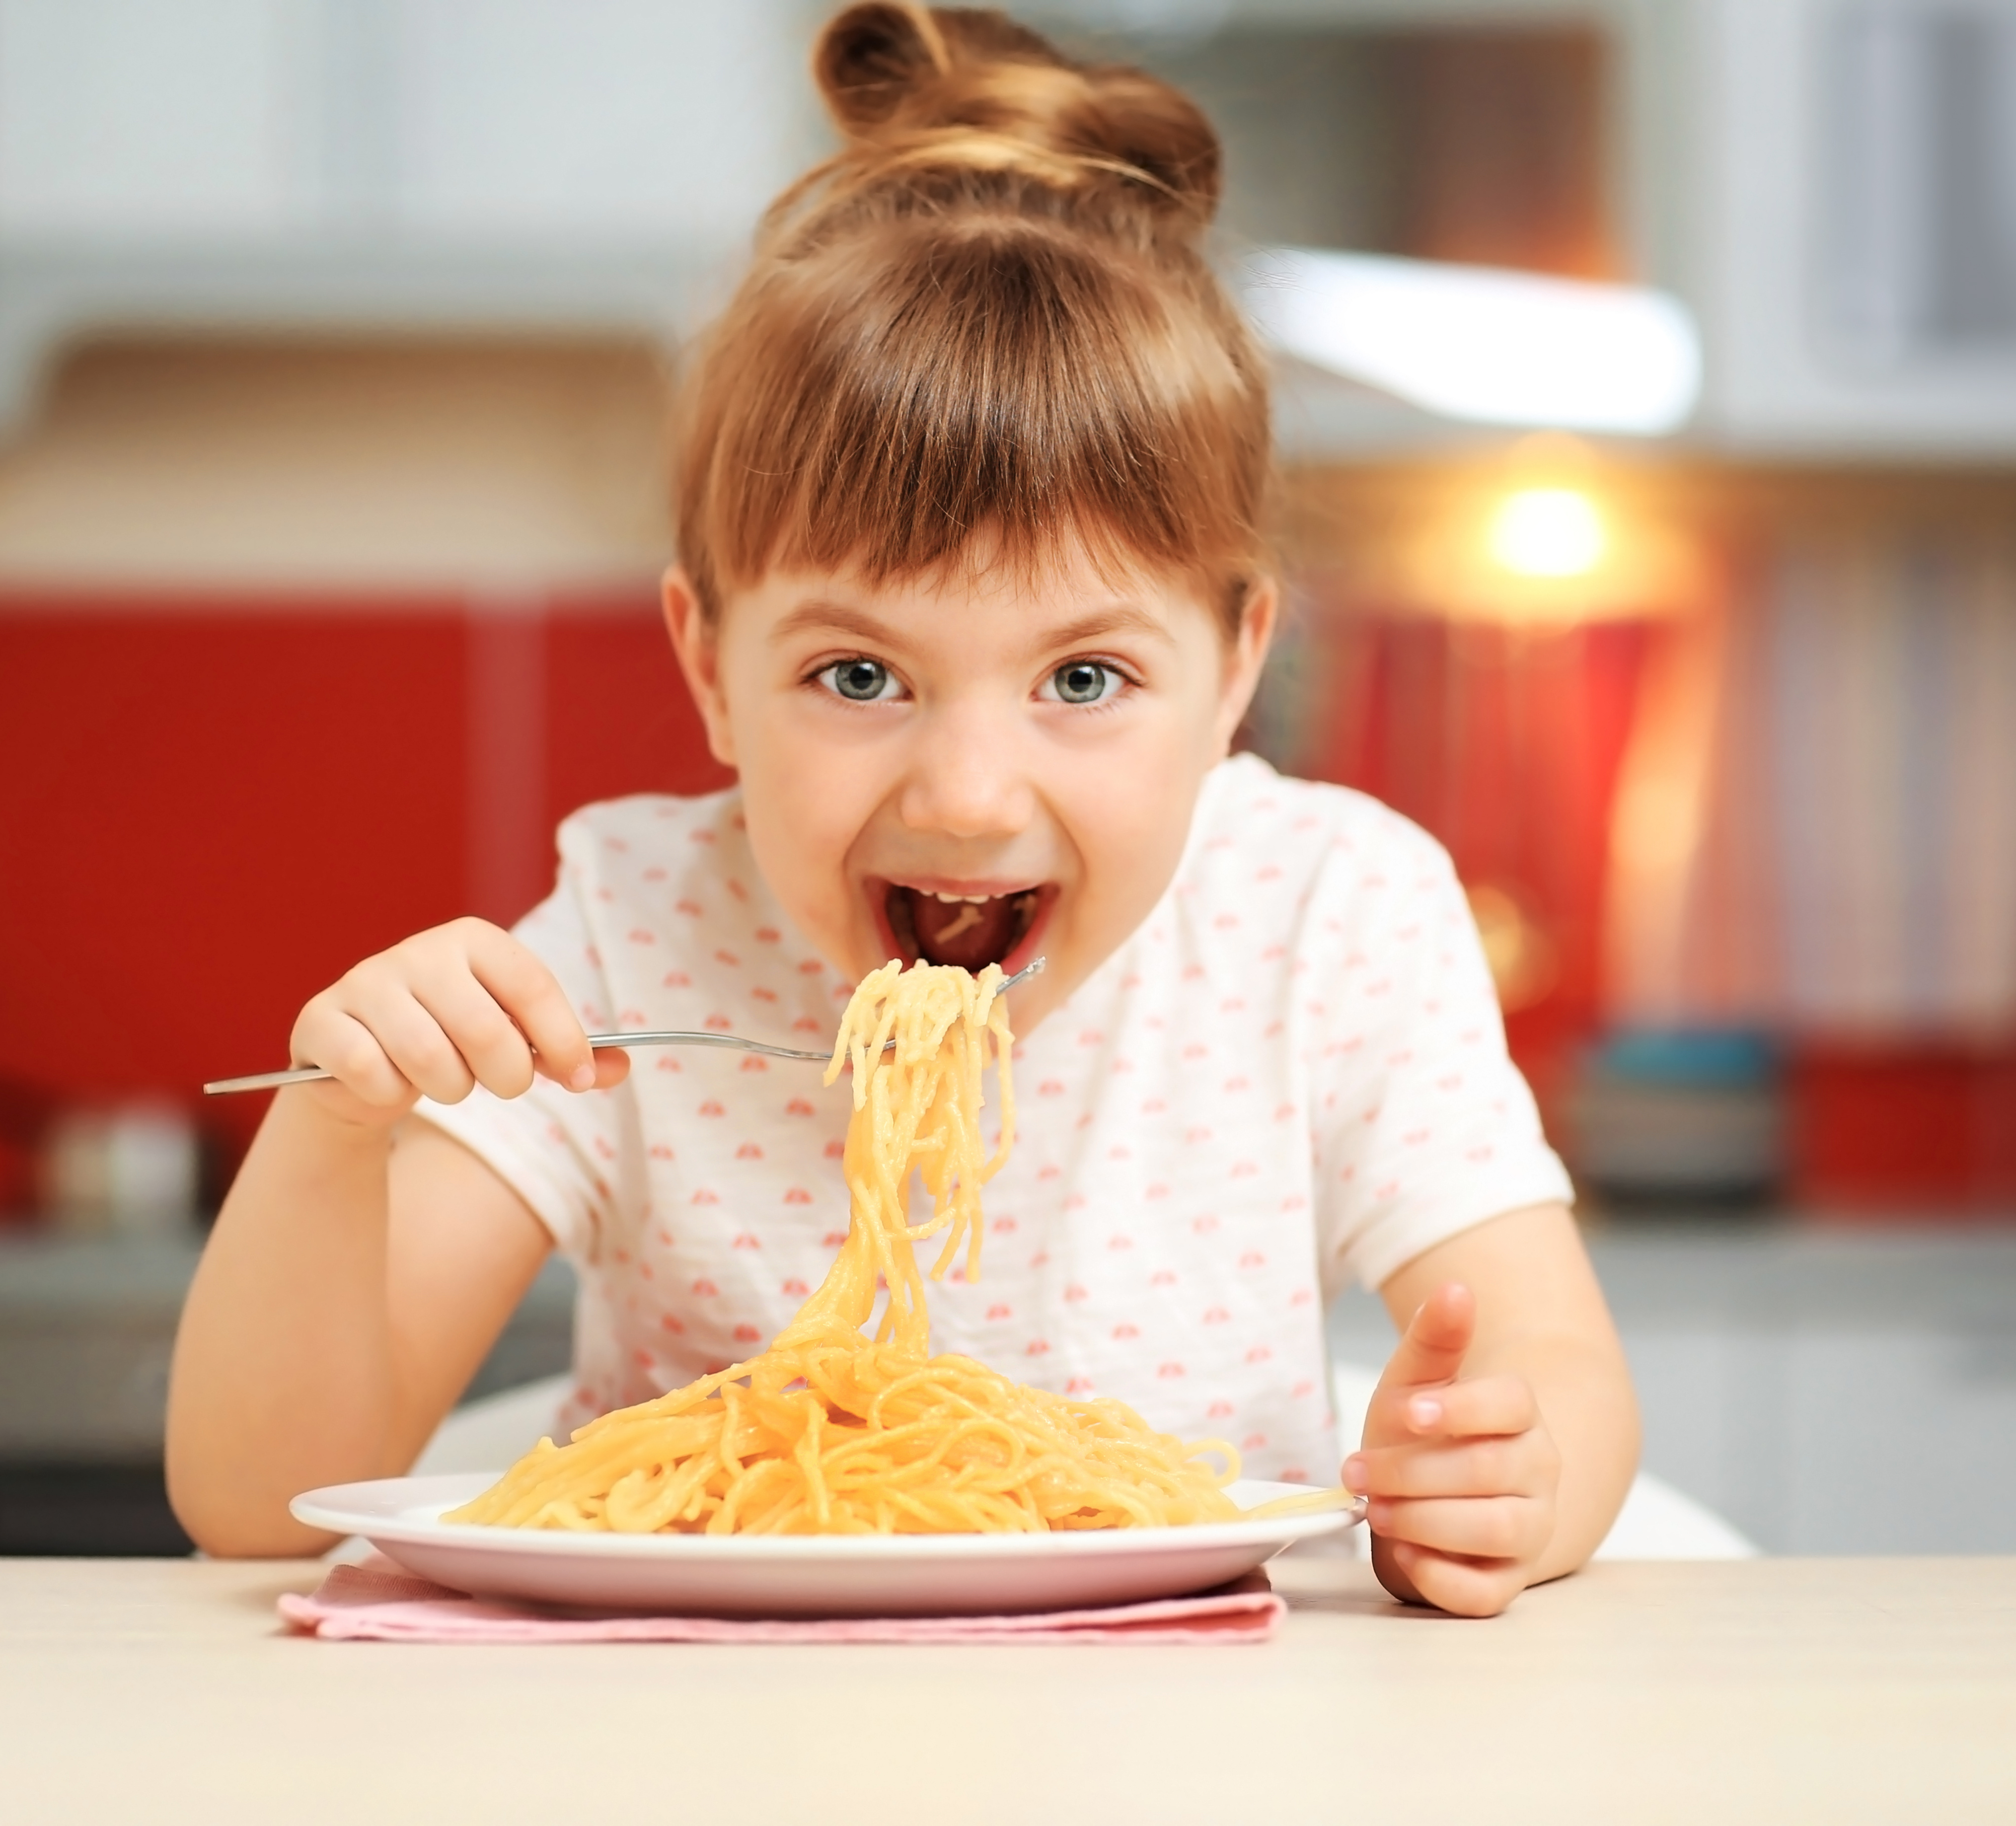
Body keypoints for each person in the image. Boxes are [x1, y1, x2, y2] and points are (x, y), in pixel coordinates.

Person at [167, 1, 1638, 1616]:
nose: (964, 793)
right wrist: (335, 1123)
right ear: (708, 664)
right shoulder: (634, 935)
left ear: (1235, 667)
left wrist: (1517, 1476)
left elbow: (1552, 1360)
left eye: (1082, 681)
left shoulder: (1322, 914)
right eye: (858, 677)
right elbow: (259, 1504)